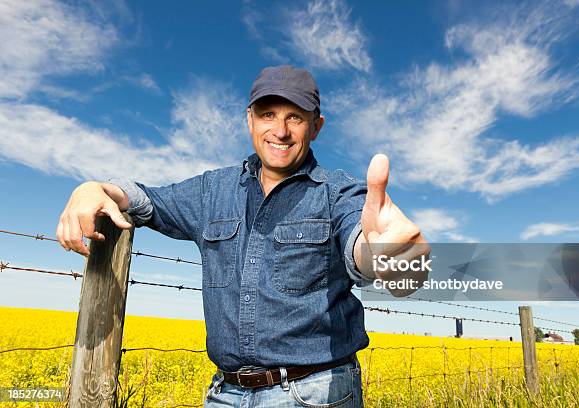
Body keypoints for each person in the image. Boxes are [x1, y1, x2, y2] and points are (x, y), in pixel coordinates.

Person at [56, 65, 429, 407]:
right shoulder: (211, 191)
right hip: (225, 394)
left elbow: (361, 247)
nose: (279, 131)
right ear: (249, 120)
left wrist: (391, 258)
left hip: (315, 393)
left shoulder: (338, 193)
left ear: (316, 126)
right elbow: (146, 199)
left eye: (295, 118)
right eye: (268, 115)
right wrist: (94, 188)